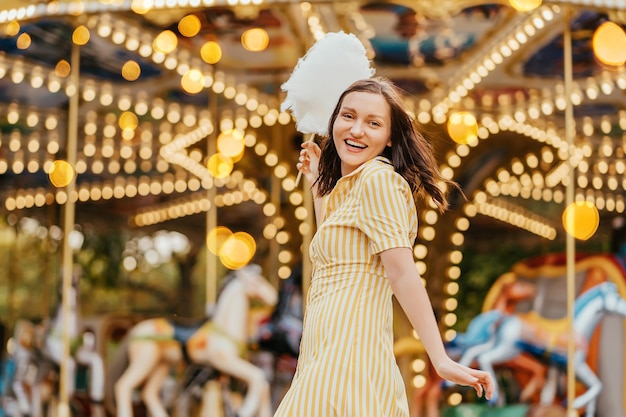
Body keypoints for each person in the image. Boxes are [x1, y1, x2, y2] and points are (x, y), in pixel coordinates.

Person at [273, 77, 494, 417]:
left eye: (373, 123)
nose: (356, 129)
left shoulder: (379, 180)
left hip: (347, 352)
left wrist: (439, 358)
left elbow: (402, 272)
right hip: (324, 349)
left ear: (390, 137)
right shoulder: (354, 187)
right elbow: (336, 254)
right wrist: (319, 184)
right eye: (348, 116)